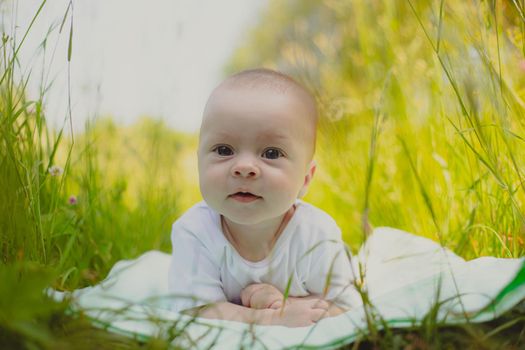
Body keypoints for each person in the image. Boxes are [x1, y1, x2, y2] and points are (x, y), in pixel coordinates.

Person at [168, 68, 359, 327]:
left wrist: (285, 305)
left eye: (271, 153)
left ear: (305, 179)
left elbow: (346, 305)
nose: (245, 167)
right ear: (199, 161)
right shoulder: (194, 231)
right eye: (224, 150)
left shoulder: (316, 235)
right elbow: (195, 311)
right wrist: (271, 317)